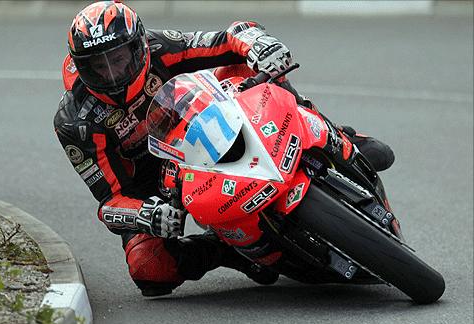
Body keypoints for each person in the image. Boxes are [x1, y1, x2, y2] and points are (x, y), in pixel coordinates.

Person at [54, 0, 395, 297]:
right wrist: (146, 214)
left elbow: (228, 37)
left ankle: (329, 130)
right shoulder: (75, 122)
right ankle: (227, 250)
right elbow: (109, 200)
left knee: (245, 64)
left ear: (139, 45)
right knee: (149, 269)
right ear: (82, 68)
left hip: (198, 130)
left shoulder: (160, 46)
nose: (113, 73)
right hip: (153, 187)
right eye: (99, 65)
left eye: (119, 58)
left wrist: (259, 45)